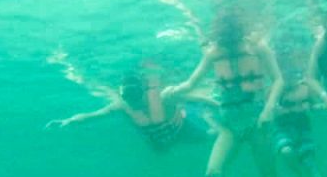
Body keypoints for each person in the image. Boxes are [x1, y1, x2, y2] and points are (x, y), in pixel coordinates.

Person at [163, 7, 305, 177]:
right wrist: (172, 90)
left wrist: (269, 110)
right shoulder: (213, 53)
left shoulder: (258, 47)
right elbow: (191, 83)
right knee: (212, 175)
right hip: (230, 123)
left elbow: (279, 80)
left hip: (257, 122)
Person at [45, 63, 216, 153]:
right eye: (128, 97)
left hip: (182, 129)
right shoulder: (122, 105)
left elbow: (193, 97)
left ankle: (207, 118)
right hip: (157, 138)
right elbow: (94, 115)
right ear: (123, 96)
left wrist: (214, 105)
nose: (133, 101)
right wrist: (69, 120)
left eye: (135, 95)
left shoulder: (161, 98)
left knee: (209, 136)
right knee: (161, 152)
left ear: (143, 91)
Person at [274, 50, 327, 177]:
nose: (290, 77)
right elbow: (272, 111)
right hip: (284, 129)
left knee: (311, 163)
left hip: (303, 128)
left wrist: (322, 107)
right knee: (286, 151)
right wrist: (291, 108)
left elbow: (314, 105)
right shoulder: (275, 91)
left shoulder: (305, 88)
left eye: (293, 72)